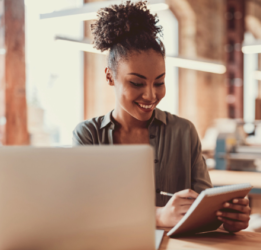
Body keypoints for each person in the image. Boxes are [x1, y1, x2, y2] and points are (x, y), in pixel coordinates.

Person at [72, 1, 250, 232]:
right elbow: (83, 210)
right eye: (136, 83)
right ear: (109, 77)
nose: (150, 94)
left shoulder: (184, 132)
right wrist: (157, 216)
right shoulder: (89, 134)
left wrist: (226, 217)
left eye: (159, 82)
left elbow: (202, 206)